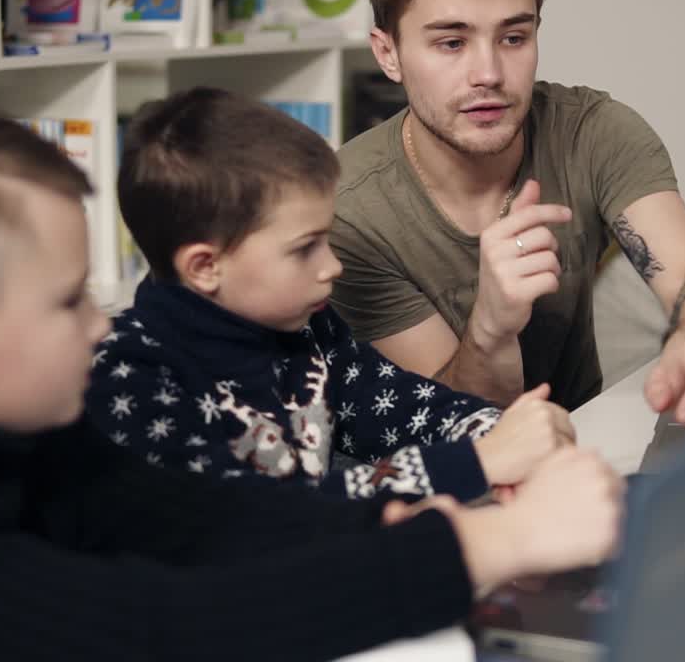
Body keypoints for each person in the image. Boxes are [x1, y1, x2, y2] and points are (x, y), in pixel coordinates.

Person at [0, 94, 625, 661]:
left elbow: (208, 518)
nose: (97, 323)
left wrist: (390, 522)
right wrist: (487, 546)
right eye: (65, 304)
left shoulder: (23, 437)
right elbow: (159, 625)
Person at [332, 0, 685, 429]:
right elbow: (450, 429)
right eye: (451, 43)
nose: (488, 75)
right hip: (446, 479)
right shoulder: (351, 209)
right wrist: (490, 331)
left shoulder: (594, 134)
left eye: (513, 37)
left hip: (586, 445)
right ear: (388, 54)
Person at [88, 87, 573, 501]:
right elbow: (263, 520)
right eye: (305, 249)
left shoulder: (305, 326)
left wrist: (500, 431)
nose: (332, 267)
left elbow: (402, 404)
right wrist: (476, 464)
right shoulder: (130, 376)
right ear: (205, 266)